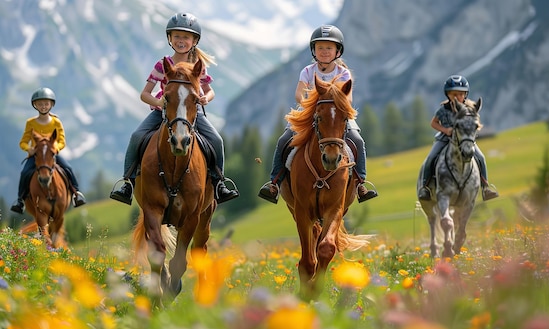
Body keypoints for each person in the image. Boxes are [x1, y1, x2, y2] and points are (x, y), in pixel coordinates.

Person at [110, 12, 239, 205]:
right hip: (163, 113)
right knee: (137, 136)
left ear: (194, 40)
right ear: (169, 38)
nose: (181, 40)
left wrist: (205, 98)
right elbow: (144, 94)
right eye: (177, 36)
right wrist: (159, 103)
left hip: (190, 114)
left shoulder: (198, 67)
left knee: (216, 140)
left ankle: (219, 182)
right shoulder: (162, 65)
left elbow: (210, 91)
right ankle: (127, 183)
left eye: (186, 37)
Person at [258, 25, 378, 204]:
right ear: (313, 50)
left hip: (337, 116)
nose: (324, 51)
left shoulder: (343, 73)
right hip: (309, 113)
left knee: (358, 141)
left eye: (329, 48)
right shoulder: (307, 71)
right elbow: (299, 94)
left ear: (337, 51)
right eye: (320, 47)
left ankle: (361, 183)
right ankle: (274, 182)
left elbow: (347, 98)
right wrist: (310, 106)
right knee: (284, 140)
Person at [417, 75, 499, 202]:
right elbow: (433, 123)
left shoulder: (469, 109)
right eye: (453, 94)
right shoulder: (443, 110)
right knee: (431, 158)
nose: (457, 97)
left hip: (463, 140)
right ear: (447, 95)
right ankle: (425, 187)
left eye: (460, 94)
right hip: (444, 139)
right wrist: (446, 130)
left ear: (465, 94)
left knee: (481, 157)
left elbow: (474, 124)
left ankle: (485, 188)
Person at [10, 88, 87, 214]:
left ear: (51, 104)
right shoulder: (31, 123)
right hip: (36, 156)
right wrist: (29, 149)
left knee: (68, 168)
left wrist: (56, 148)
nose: (43, 106)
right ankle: (20, 201)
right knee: (24, 173)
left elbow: (62, 140)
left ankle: (76, 194)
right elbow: (23, 142)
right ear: (35, 105)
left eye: (46, 103)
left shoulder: (56, 122)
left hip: (51, 155)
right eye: (40, 104)